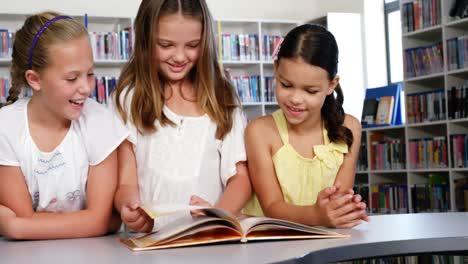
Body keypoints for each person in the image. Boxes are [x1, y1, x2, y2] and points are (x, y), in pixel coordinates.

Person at [110, 0, 251, 233]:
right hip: (148, 244)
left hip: (208, 240)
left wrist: (218, 216)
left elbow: (240, 179)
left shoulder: (222, 98)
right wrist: (128, 206)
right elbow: (126, 182)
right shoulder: (128, 99)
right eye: (165, 45)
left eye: (192, 45)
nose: (179, 57)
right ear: (145, 40)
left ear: (205, 42)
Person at [0, 12, 128, 239]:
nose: (86, 88)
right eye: (72, 78)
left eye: (90, 74)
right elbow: (25, 215)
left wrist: (16, 228)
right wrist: (86, 221)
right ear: (35, 79)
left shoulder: (100, 122)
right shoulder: (6, 128)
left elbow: (99, 221)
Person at [243, 24, 369, 228]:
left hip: (325, 245)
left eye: (310, 91)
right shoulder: (259, 132)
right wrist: (317, 215)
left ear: (331, 85)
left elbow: (338, 203)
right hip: (269, 245)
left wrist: (345, 209)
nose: (295, 99)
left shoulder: (350, 128)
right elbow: (272, 206)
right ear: (276, 71)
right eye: (286, 85)